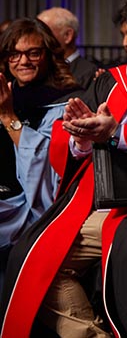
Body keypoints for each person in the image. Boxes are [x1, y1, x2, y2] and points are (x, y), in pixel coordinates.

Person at [1, 0, 127, 338]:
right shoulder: (112, 80)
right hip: (102, 201)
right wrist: (80, 138)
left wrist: (118, 133)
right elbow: (67, 143)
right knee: (31, 257)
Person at [0, 19, 80, 274]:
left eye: (33, 52)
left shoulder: (65, 102)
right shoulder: (6, 93)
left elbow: (44, 165)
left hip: (26, 209)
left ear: (48, 55)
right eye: (15, 54)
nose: (23, 61)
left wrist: (8, 118)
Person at [38, 7, 98, 90]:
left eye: (44, 33)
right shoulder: (40, 69)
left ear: (67, 35)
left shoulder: (89, 73)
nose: (38, 39)